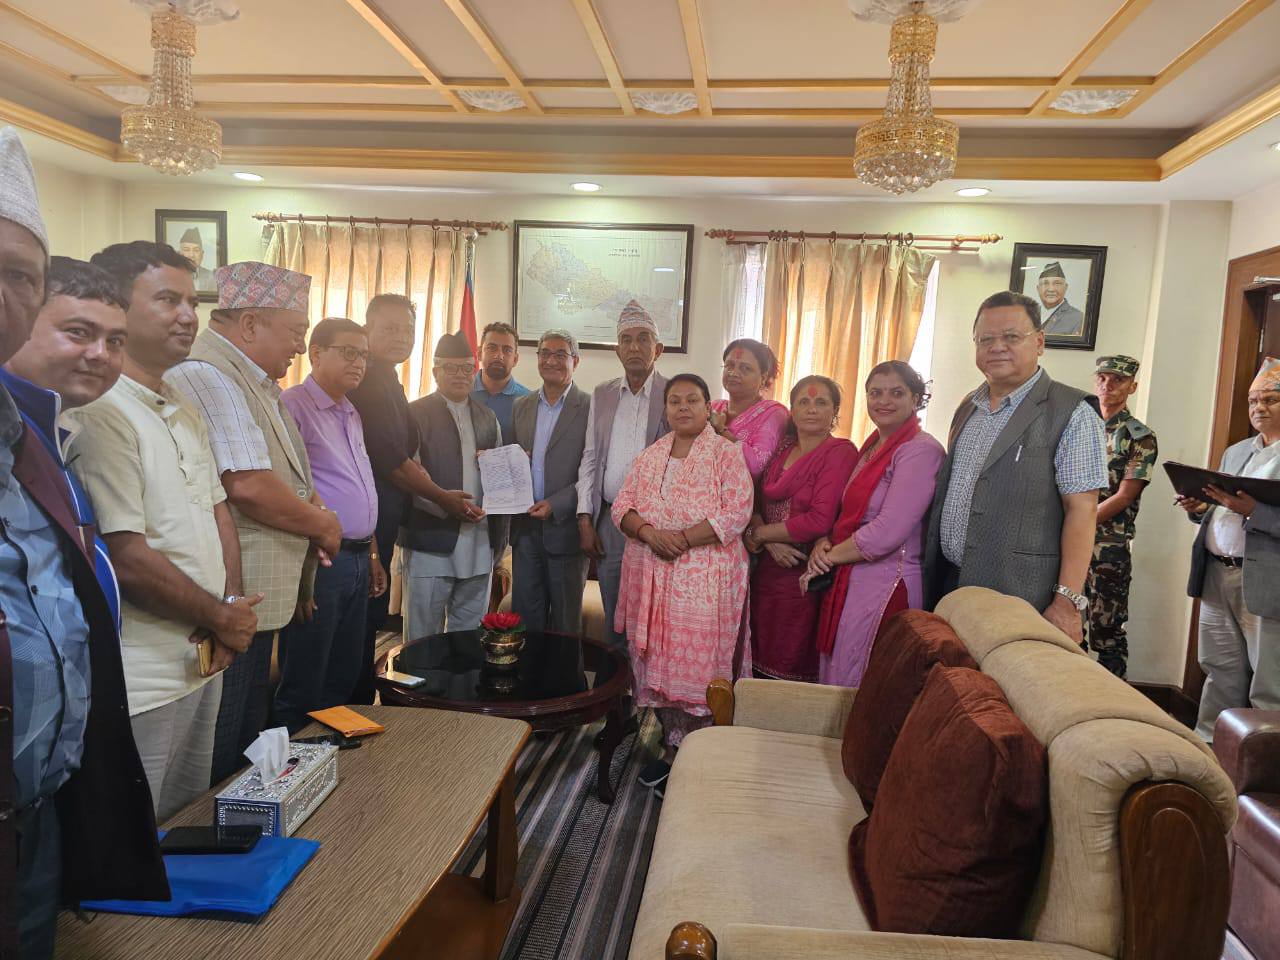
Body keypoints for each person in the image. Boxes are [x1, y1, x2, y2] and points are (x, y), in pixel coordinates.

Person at [0, 126, 165, 960]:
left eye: (18, 274)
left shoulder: (40, 436)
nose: (99, 355)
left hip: (36, 798)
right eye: (78, 332)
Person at [70, 240, 261, 820]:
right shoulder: (102, 409)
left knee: (184, 819)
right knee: (135, 831)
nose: (187, 316)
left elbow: (217, 511)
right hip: (144, 676)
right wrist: (220, 616)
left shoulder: (178, 401)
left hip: (200, 659)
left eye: (191, 302)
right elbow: (124, 556)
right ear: (117, 307)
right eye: (167, 300)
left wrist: (230, 605)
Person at [167, 261, 340, 785]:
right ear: (249, 324)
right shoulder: (208, 376)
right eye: (295, 332)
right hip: (230, 595)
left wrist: (315, 516)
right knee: (223, 747)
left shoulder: (255, 381)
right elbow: (247, 486)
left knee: (245, 732)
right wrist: (322, 526)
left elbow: (290, 475)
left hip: (256, 596)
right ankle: (220, 829)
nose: (300, 346)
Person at [924, 290, 1107, 647]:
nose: (997, 347)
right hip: (951, 584)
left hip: (1022, 594)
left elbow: (1082, 511)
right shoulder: (969, 406)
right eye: (985, 339)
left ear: (1039, 342)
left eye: (1011, 336)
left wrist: (1067, 603)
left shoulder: (1073, 412)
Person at [613, 373, 753, 793]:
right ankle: (672, 747)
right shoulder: (650, 455)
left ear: (709, 407)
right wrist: (649, 533)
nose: (683, 407)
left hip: (705, 585)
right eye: (675, 401)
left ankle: (702, 752)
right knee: (659, 667)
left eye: (692, 400)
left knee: (700, 669)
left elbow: (737, 512)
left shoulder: (726, 454)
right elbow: (622, 506)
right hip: (654, 580)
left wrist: (684, 539)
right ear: (666, 409)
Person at [348, 295, 478, 700]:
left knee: (365, 629)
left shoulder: (389, 379)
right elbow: (393, 460)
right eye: (390, 328)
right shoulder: (370, 381)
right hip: (383, 532)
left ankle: (366, 710)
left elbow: (402, 459)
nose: (401, 337)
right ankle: (395, 709)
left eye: (407, 329)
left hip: (385, 525)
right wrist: (442, 498)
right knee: (388, 632)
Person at [1, 256, 128, 626]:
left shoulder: (53, 427)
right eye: (78, 332)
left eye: (115, 341)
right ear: (21, 322)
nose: (101, 354)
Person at [805, 362, 946, 686]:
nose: (884, 401)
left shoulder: (920, 451)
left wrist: (828, 557)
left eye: (896, 393)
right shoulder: (871, 446)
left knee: (866, 680)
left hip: (888, 581)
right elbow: (847, 512)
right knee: (838, 671)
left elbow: (888, 531)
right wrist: (823, 542)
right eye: (875, 393)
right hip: (853, 576)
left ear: (916, 399)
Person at [275, 317, 384, 731]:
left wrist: (372, 551)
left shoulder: (351, 410)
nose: (359, 363)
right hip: (318, 559)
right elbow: (288, 487)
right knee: (306, 671)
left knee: (344, 669)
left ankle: (331, 753)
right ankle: (293, 757)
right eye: (349, 352)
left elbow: (361, 485)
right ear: (316, 353)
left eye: (364, 355)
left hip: (356, 556)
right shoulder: (293, 406)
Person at [1181, 356, 1280, 742]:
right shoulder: (1237, 451)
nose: (1259, 408)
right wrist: (1200, 508)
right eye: (1253, 401)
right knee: (1219, 667)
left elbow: (1248, 510)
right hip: (1216, 572)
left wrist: (1254, 511)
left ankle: (1261, 763)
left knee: (1268, 678)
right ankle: (1208, 747)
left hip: (1265, 578)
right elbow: (1224, 510)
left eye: (1270, 400)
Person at [400, 331, 509, 647]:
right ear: (436, 371)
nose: (460, 375)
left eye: (466, 368)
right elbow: (407, 476)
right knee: (423, 639)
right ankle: (419, 682)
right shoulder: (414, 413)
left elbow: (499, 481)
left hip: (479, 542)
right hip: (430, 542)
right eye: (451, 368)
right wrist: (446, 505)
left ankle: (461, 680)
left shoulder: (487, 418)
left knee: (468, 639)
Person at [745, 376, 857, 681]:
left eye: (821, 402)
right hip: (764, 571)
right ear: (792, 411)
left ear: (834, 411)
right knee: (755, 660)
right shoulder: (780, 450)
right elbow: (753, 501)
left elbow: (820, 520)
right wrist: (768, 542)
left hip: (804, 575)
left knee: (791, 664)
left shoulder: (840, 452)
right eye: (803, 402)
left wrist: (761, 535)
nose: (811, 409)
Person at [576, 300, 670, 651]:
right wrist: (585, 518)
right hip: (610, 521)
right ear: (617, 350)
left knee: (652, 617)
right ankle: (616, 684)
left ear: (658, 349)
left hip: (657, 524)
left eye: (643, 338)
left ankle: (647, 682)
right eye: (626, 340)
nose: (634, 347)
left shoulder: (673, 394)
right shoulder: (602, 394)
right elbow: (590, 457)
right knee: (615, 617)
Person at [510, 329, 591, 633]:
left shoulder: (591, 408)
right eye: (545, 353)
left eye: (560, 354)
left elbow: (592, 472)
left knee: (565, 628)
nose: (551, 360)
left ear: (575, 361)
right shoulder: (521, 405)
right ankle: (529, 668)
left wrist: (557, 504)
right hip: (525, 531)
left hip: (567, 531)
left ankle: (564, 670)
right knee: (525, 623)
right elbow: (514, 458)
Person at [1087, 354, 1158, 678]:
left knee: (1107, 633)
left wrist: (1079, 523)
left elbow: (1126, 495)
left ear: (1133, 386)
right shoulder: (1081, 427)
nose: (1108, 385)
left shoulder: (1139, 436)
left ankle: (1113, 702)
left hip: (1108, 547)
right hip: (1069, 542)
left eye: (1118, 379)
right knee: (1064, 627)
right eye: (1103, 378)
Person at [709, 338, 788, 479]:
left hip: (743, 491)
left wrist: (721, 430)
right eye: (729, 365)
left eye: (745, 368)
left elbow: (756, 466)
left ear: (763, 378)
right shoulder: (715, 406)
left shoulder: (774, 413)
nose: (733, 373)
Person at [472, 321, 530, 441]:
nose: (499, 356)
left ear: (515, 359)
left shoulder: (528, 402)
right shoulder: (461, 394)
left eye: (507, 350)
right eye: (492, 348)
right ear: (479, 354)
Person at [1037, 262, 1086, 337]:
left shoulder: (1078, 318)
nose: (1051, 289)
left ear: (1065, 287)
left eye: (1057, 283)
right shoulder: (1028, 314)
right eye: (1045, 283)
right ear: (1038, 288)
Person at [177, 226, 216, 292]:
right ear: (179, 253)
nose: (191, 255)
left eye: (196, 250)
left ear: (202, 254)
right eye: (186, 250)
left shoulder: (212, 277)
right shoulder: (170, 275)